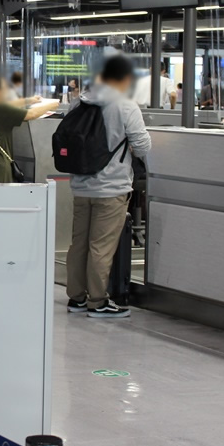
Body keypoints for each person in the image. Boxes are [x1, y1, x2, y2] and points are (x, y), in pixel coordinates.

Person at [65, 56, 152, 318]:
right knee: (101, 246)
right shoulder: (125, 105)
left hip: (81, 186)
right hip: (111, 187)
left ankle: (76, 298)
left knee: (79, 244)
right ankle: (98, 301)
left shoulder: (79, 102)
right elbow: (143, 145)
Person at [0, 74, 59, 184]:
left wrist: (29, 100)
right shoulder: (0, 109)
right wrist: (51, 105)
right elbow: (32, 114)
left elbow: (9, 105)